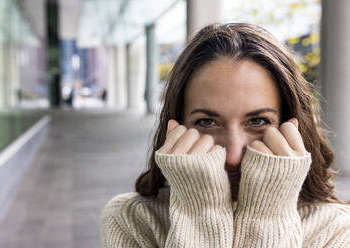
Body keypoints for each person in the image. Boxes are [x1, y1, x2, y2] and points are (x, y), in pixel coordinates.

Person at [100, 23, 350, 247]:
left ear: (291, 126)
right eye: (207, 122)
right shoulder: (130, 219)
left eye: (258, 121)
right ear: (176, 126)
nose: (231, 155)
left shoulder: (337, 229)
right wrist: (201, 213)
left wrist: (265, 216)